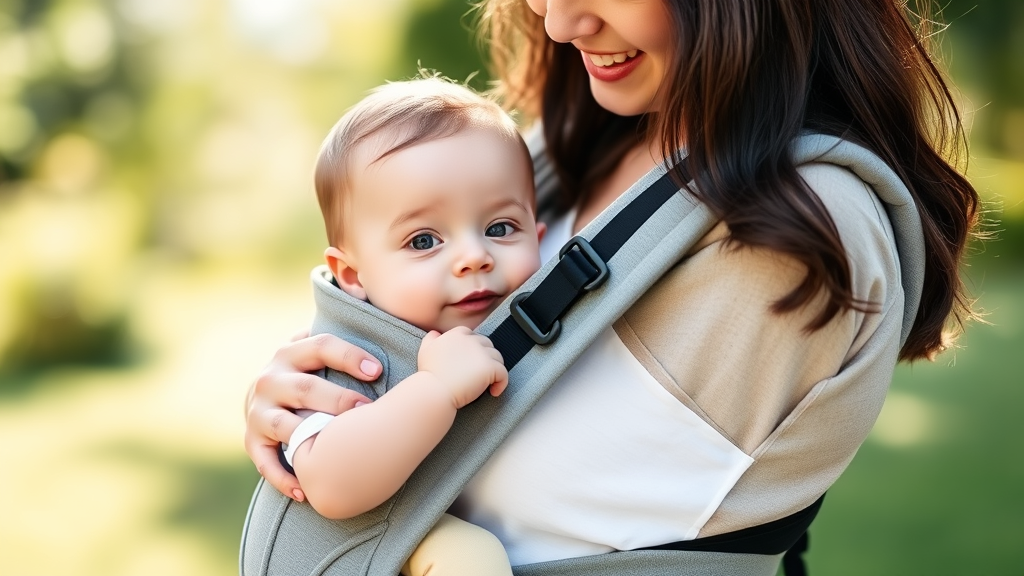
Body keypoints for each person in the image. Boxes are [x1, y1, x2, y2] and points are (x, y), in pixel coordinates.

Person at [244, 0, 980, 570]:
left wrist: (359, 443)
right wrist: (308, 400)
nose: (559, 22)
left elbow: (542, 516)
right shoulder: (573, 148)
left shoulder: (790, 231)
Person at [284, 78, 544, 575]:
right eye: (424, 240)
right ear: (354, 276)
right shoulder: (346, 361)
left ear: (540, 236)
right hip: (373, 542)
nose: (473, 256)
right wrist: (437, 389)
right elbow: (331, 485)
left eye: (499, 228)